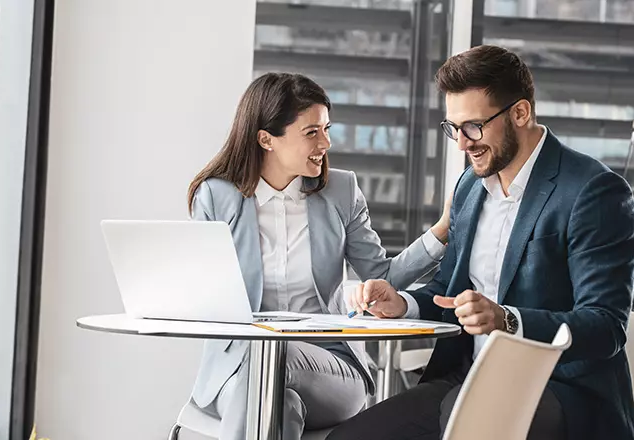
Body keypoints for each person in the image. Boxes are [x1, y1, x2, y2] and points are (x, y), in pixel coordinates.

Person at [329, 45, 634, 440]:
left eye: (473, 127)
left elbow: (604, 326)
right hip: (467, 379)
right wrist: (403, 303)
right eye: (453, 128)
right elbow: (450, 293)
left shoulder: (593, 191)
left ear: (520, 113)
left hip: (559, 391)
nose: (461, 144)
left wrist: (507, 319)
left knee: (466, 425)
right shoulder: (470, 188)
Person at [186, 72, 452, 440]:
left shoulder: (341, 191)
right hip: (236, 369)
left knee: (277, 356)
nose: (326, 142)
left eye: (327, 129)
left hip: (332, 367)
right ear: (266, 139)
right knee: (282, 407)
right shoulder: (216, 197)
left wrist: (440, 233)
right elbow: (202, 294)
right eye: (312, 132)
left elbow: (382, 277)